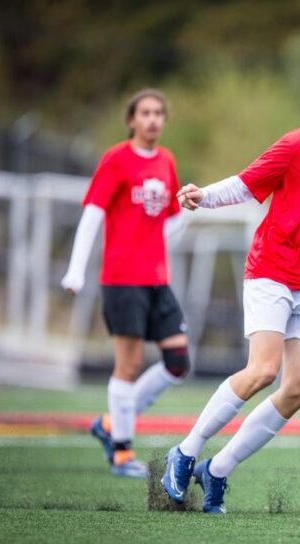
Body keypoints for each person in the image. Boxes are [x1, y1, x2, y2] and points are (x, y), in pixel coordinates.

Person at [161, 53, 300, 514]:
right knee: (262, 370)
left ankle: (216, 470)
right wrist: (204, 197)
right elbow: (247, 183)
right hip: (273, 272)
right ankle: (184, 453)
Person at [61, 89, 189, 478]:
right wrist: (76, 269)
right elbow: (92, 215)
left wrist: (186, 214)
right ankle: (121, 452)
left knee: (178, 362)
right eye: (144, 113)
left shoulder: (166, 161)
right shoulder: (116, 159)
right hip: (122, 280)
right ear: (132, 119)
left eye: (158, 113)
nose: (152, 119)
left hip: (157, 280)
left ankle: (110, 423)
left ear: (164, 120)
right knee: (129, 366)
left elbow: (168, 222)